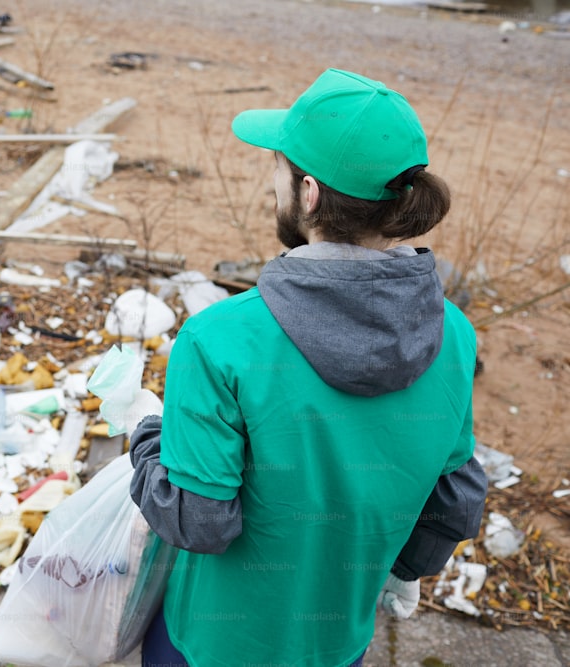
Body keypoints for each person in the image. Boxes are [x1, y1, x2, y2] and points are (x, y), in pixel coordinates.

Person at [126, 68, 488, 667]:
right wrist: (410, 569)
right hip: (338, 642)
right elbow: (455, 494)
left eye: (279, 169)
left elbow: (198, 521)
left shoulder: (218, 339)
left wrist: (146, 438)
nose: (274, 185)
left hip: (214, 644)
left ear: (311, 193)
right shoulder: (453, 332)